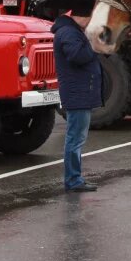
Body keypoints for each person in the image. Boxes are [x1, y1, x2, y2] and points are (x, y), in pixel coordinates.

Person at [52, 10, 102, 192]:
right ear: (77, 14)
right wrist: (94, 43)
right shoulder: (67, 32)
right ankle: (73, 180)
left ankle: (74, 178)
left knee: (77, 137)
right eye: (88, 16)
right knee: (76, 138)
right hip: (77, 93)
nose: (90, 21)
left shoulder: (72, 31)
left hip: (80, 92)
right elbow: (78, 56)